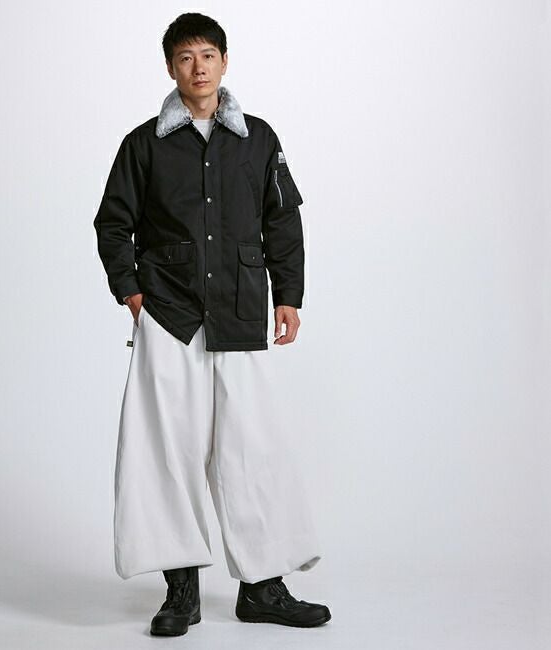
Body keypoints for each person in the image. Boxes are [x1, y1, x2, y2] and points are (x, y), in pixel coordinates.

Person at [93, 12, 331, 636]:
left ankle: (263, 587)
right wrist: (132, 293)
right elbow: (113, 222)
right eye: (184, 57)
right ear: (170, 67)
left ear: (225, 62)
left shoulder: (258, 139)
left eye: (207, 55)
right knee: (166, 452)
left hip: (240, 310)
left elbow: (282, 219)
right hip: (168, 313)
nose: (197, 68)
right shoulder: (144, 144)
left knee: (253, 449)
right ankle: (181, 592)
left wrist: (288, 295)